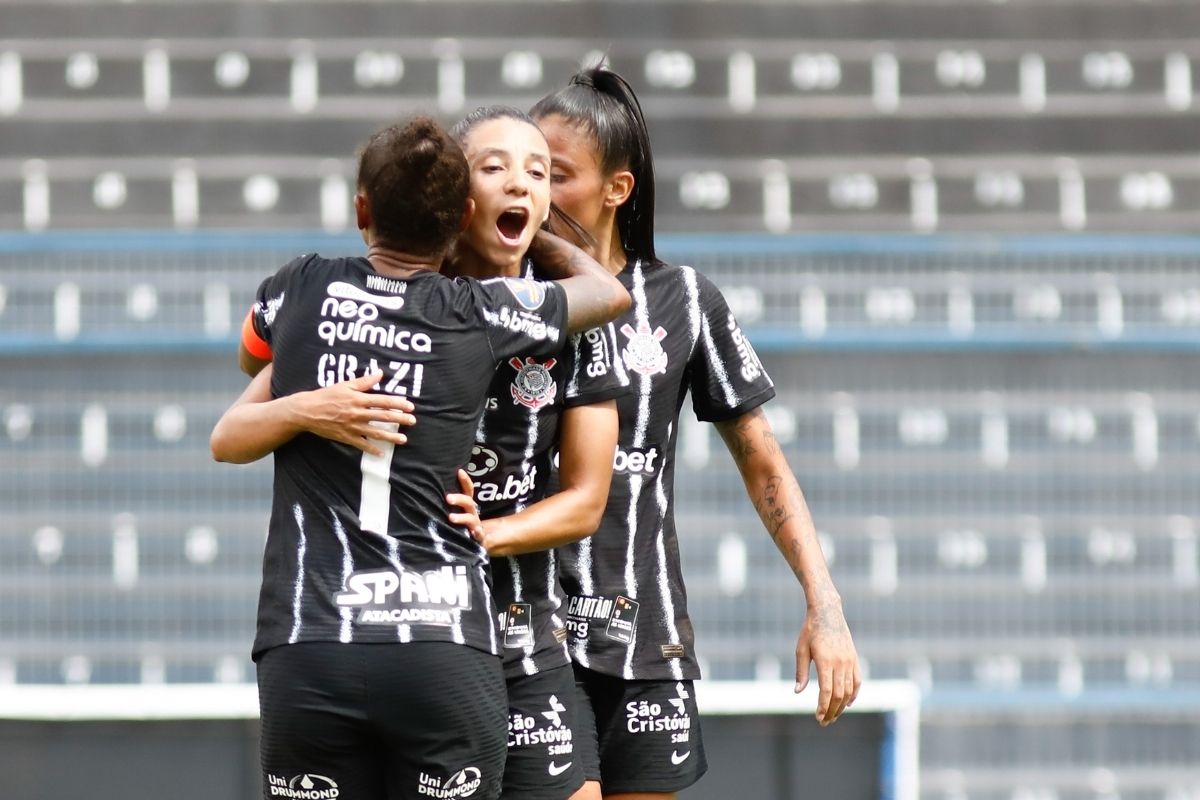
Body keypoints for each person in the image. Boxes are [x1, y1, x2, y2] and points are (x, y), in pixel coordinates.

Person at [210, 114, 629, 800]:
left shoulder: (307, 289)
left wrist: (309, 403)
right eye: (495, 169)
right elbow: (609, 295)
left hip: (311, 638)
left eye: (536, 173)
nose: (519, 184)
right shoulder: (478, 311)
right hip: (443, 644)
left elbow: (239, 388)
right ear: (464, 211)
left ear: (360, 209)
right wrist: (551, 230)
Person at [529, 67, 862, 799]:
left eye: (555, 175)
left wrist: (825, 605)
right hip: (532, 637)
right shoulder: (505, 300)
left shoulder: (682, 299)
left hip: (649, 641)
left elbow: (763, 463)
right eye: (527, 170)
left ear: (617, 189)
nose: (535, 192)